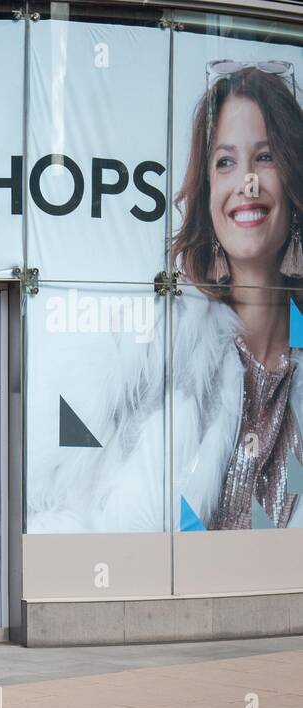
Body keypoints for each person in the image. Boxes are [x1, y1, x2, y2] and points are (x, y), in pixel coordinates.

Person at [29, 64, 303, 532]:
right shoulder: (153, 353)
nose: (247, 182)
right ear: (207, 193)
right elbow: (50, 499)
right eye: (225, 161)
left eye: (266, 157)